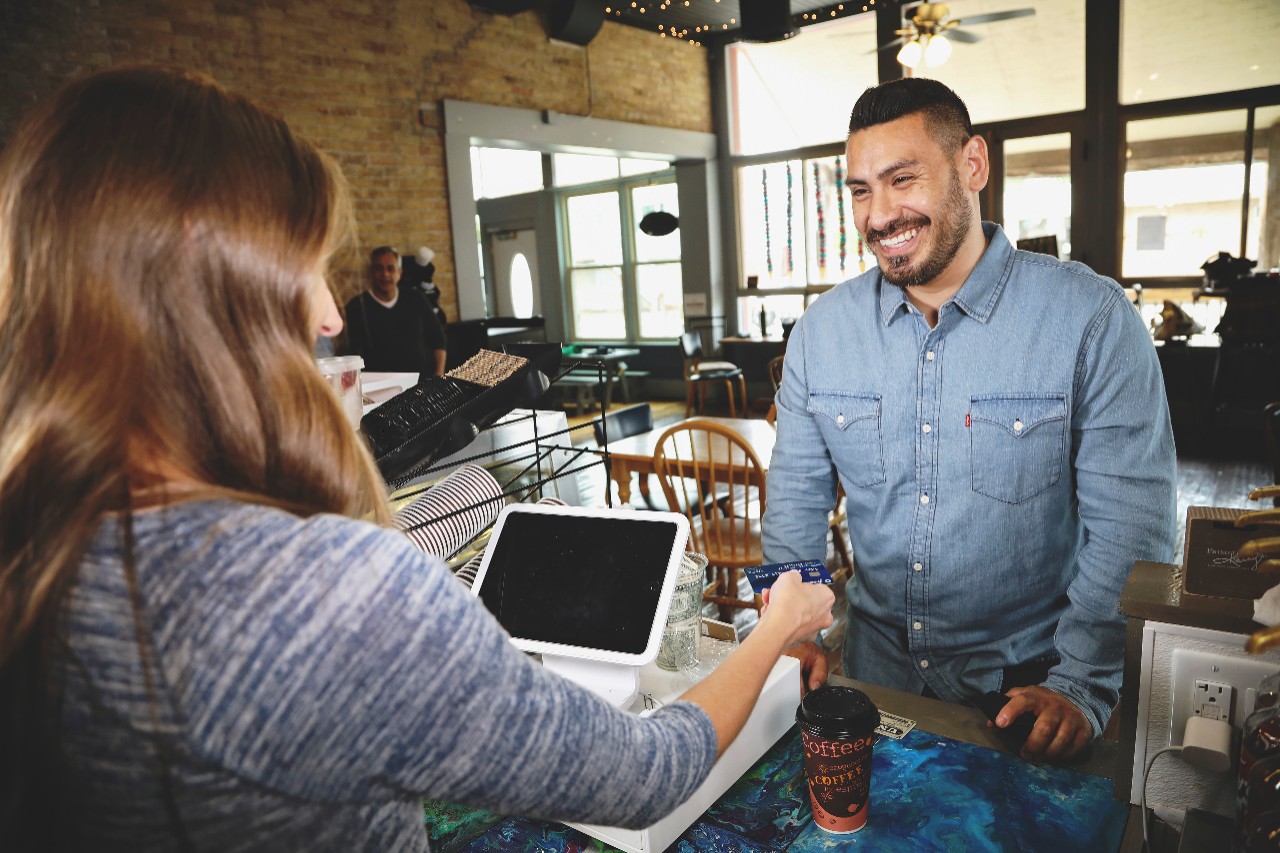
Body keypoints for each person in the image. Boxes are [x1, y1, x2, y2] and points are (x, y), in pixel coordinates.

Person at [0, 66, 836, 850]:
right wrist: (775, 629)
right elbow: (649, 772)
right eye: (300, 269)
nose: (329, 314)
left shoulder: (36, 543)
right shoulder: (337, 592)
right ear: (196, 276)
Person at [763, 78, 1176, 762]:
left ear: (973, 165)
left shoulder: (1092, 321)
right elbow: (796, 502)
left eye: (902, 179)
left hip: (1029, 698)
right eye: (862, 189)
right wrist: (789, 629)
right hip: (872, 681)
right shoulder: (819, 334)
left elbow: (1133, 527)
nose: (879, 214)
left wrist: (1083, 681)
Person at [345, 245, 448, 376]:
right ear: (372, 272)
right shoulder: (357, 307)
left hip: (422, 385)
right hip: (378, 391)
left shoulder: (416, 298)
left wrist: (439, 375)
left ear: (399, 273)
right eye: (379, 269)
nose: (385, 274)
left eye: (390, 268)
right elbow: (350, 356)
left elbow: (438, 339)